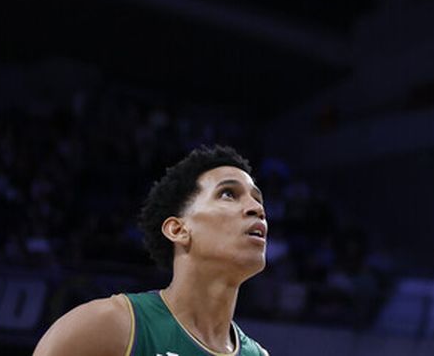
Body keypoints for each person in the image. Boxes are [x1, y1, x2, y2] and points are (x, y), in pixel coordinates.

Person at [33, 145, 271, 356]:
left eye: (257, 199)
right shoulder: (111, 325)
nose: (256, 208)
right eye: (228, 194)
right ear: (178, 230)